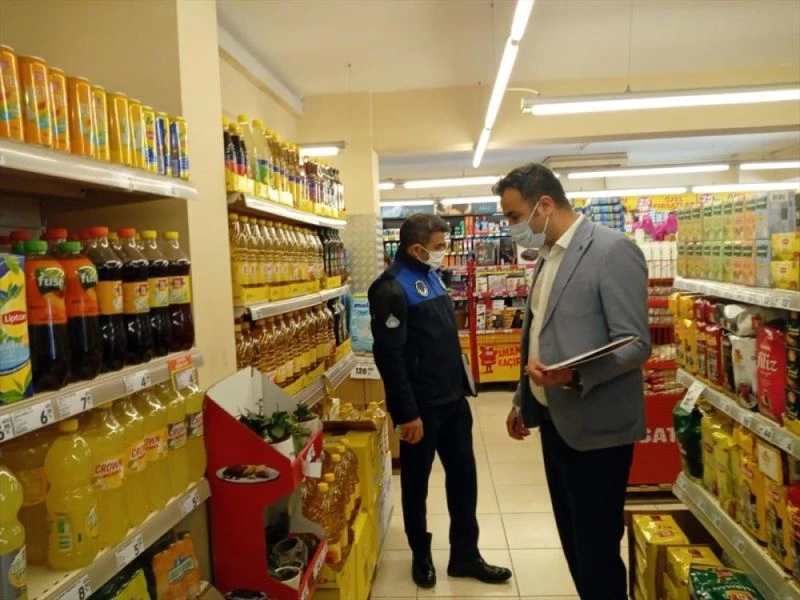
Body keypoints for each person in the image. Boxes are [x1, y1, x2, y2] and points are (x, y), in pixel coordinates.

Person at [495, 164, 651, 600]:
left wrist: (577, 374)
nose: (512, 227)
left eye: (514, 216)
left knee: (597, 548)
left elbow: (637, 344)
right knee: (573, 540)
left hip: (597, 427)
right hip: (554, 420)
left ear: (544, 204)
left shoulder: (612, 251)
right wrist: (523, 397)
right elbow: (540, 332)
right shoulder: (548, 255)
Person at [368, 213, 512, 589]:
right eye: (438, 246)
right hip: (421, 409)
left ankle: (465, 555)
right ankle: (421, 554)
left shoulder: (431, 275)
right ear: (416, 248)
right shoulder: (391, 288)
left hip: (453, 401)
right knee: (416, 484)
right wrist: (406, 413)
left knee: (464, 478)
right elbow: (390, 358)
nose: (443, 252)